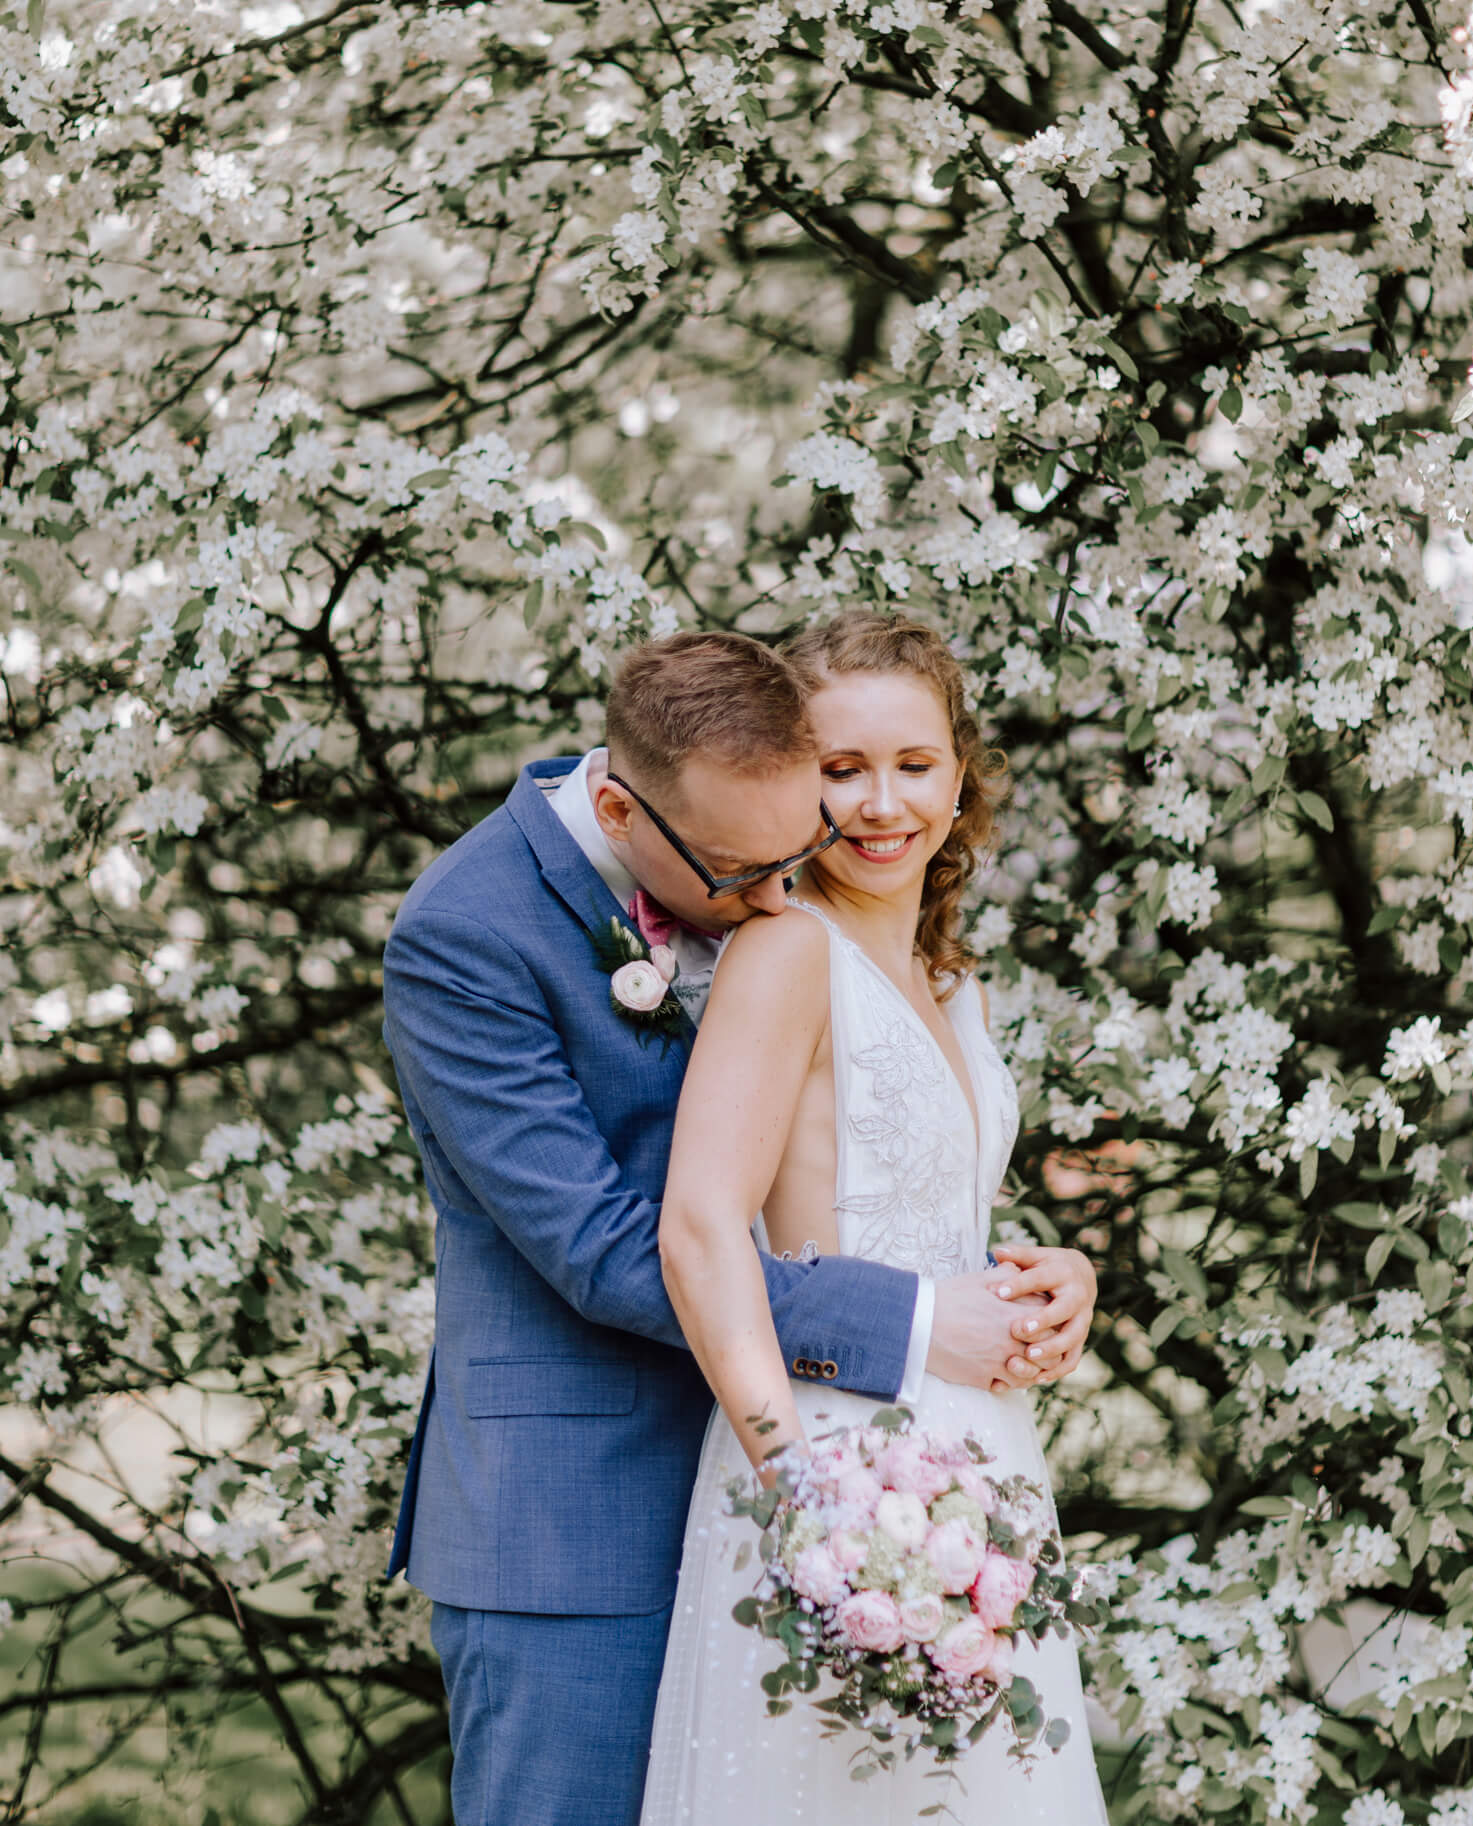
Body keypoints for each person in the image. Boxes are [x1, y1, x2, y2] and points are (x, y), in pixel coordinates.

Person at [380, 628, 1098, 1826]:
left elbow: (862, 1159)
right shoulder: (468, 936)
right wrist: (920, 1323)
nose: (776, 888)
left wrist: (1038, 1276)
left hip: (864, 1478)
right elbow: (617, 1246)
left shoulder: (755, 826)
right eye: (744, 871)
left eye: (791, 856)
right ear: (619, 810)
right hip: (586, 1518)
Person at [643, 610, 1108, 1825]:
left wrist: (1059, 1281)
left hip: (985, 1478)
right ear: (798, 782)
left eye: (913, 764)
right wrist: (802, 1493)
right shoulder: (786, 953)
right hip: (843, 1479)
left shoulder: (957, 985)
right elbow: (699, 1230)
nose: (880, 803)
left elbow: (951, 1224)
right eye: (842, 769)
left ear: (961, 774)